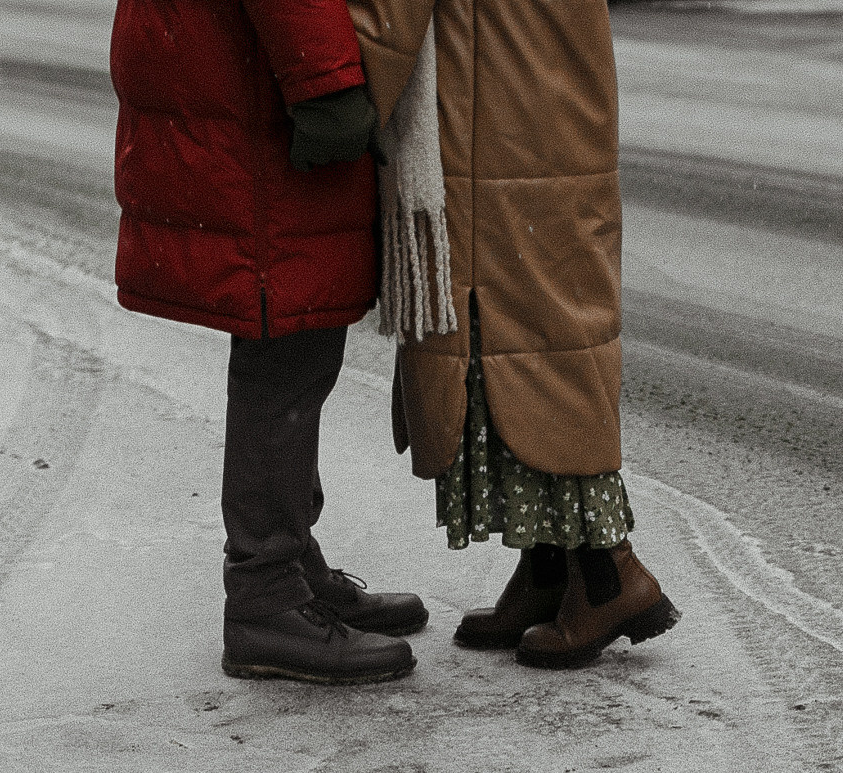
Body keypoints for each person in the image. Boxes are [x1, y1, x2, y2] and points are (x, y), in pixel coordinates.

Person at [350, 0, 681, 669]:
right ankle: (550, 567)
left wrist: (330, 84)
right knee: (532, 333)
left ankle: (607, 573)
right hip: (535, 100)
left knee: (519, 340)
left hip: (504, 116)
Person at [110, 0, 428, 685]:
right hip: (265, 98)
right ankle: (266, 598)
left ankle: (291, 567)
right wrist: (329, 84)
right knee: (286, 344)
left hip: (238, 74)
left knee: (294, 340)